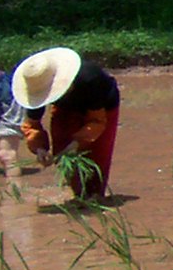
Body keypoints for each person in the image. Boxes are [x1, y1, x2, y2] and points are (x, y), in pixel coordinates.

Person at [12, 48, 120, 202]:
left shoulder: (90, 78)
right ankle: (79, 194)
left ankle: (95, 194)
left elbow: (96, 122)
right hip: (66, 107)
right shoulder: (35, 87)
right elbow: (32, 125)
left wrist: (77, 143)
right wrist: (39, 149)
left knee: (97, 152)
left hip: (102, 105)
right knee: (62, 149)